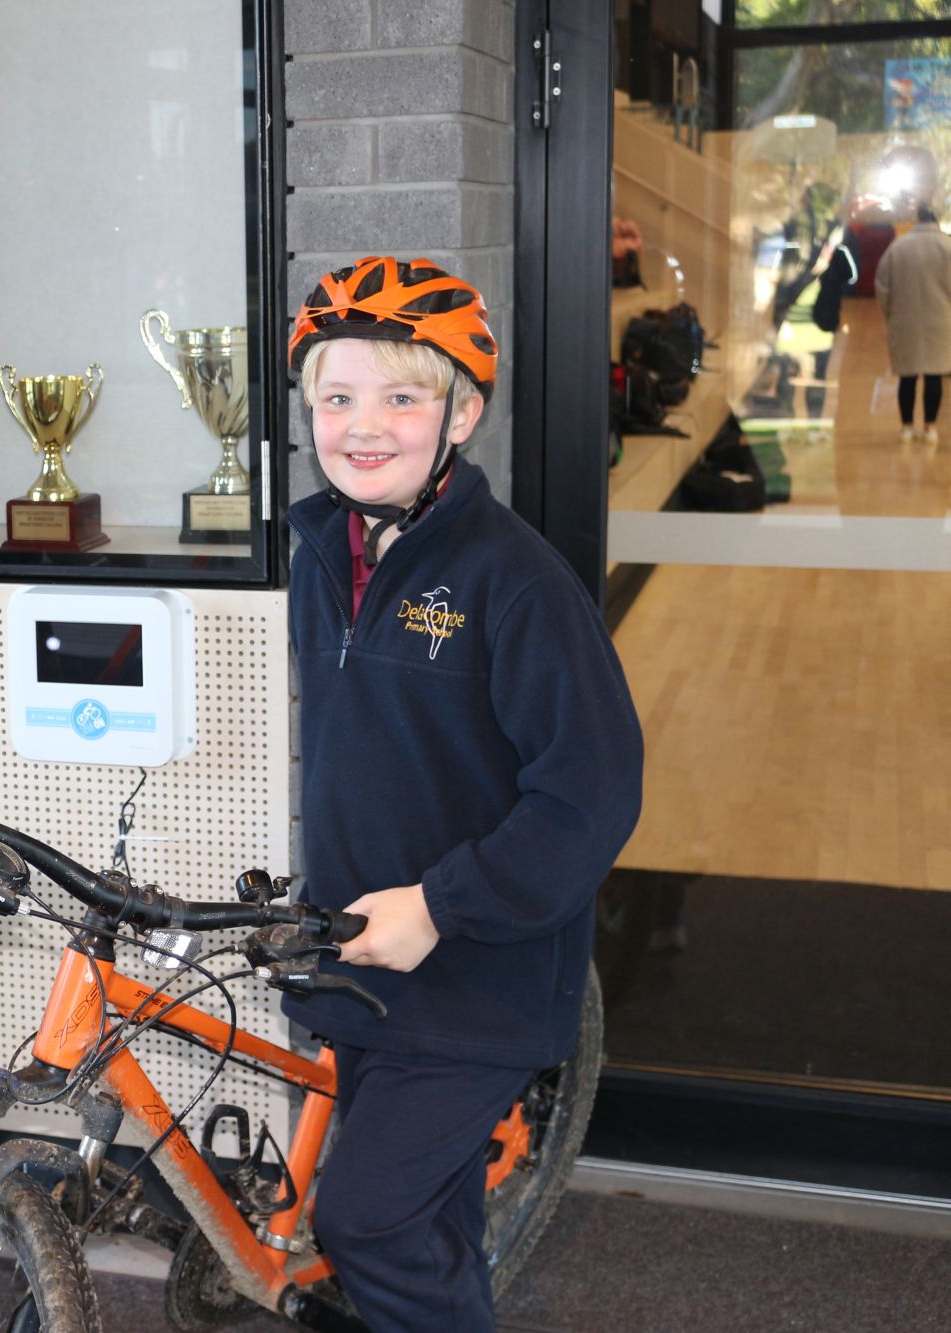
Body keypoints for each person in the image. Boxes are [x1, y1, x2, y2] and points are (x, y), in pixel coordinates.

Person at [282, 257, 643, 1331]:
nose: (363, 425)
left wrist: (439, 906)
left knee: (366, 1221)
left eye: (402, 395)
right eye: (336, 397)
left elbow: (589, 795)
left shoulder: (513, 580)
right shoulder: (323, 550)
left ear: (462, 411)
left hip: (477, 975)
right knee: (427, 1233)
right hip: (366, 968)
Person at [875, 203, 951, 444]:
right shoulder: (947, 246)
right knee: (934, 375)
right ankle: (930, 428)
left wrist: (890, 314)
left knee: (907, 376)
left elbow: (882, 285)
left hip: (904, 319)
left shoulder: (899, 246)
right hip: (942, 320)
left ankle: (906, 426)